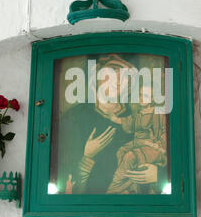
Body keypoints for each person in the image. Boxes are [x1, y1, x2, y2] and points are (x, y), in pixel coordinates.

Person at [52, 54, 168, 194]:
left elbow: (160, 148)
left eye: (125, 76)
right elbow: (62, 175)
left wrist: (158, 174)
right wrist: (87, 155)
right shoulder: (74, 118)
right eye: (111, 72)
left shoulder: (138, 118)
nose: (117, 81)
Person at [106, 86, 167, 194]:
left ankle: (114, 189)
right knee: (120, 152)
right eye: (140, 95)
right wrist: (115, 119)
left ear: (152, 98)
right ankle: (131, 186)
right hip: (137, 143)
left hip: (152, 146)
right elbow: (129, 123)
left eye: (146, 96)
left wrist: (157, 145)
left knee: (130, 156)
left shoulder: (158, 113)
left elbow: (163, 133)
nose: (142, 98)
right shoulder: (138, 113)